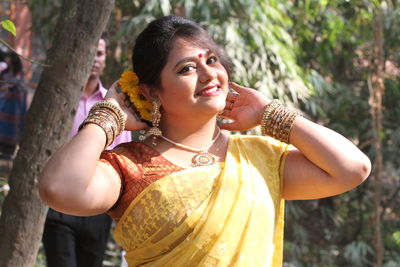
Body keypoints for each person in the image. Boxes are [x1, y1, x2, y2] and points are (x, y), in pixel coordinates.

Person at [39, 16, 371, 267]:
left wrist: (273, 113)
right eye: (186, 69)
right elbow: (58, 189)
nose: (209, 74)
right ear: (152, 92)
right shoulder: (130, 165)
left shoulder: (259, 158)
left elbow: (352, 169)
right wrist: (108, 116)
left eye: (211, 60)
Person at [41, 37, 131, 267]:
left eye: (99, 54)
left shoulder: (115, 106)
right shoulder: (59, 100)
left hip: (97, 204)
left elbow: (122, 154)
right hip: (59, 203)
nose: (94, 60)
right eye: (90, 53)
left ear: (105, 58)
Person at [0, 51, 28, 160]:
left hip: (15, 104)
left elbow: (17, 85)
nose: (6, 60)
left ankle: (8, 151)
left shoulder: (19, 73)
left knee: (13, 127)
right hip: (5, 101)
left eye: (8, 58)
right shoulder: (6, 71)